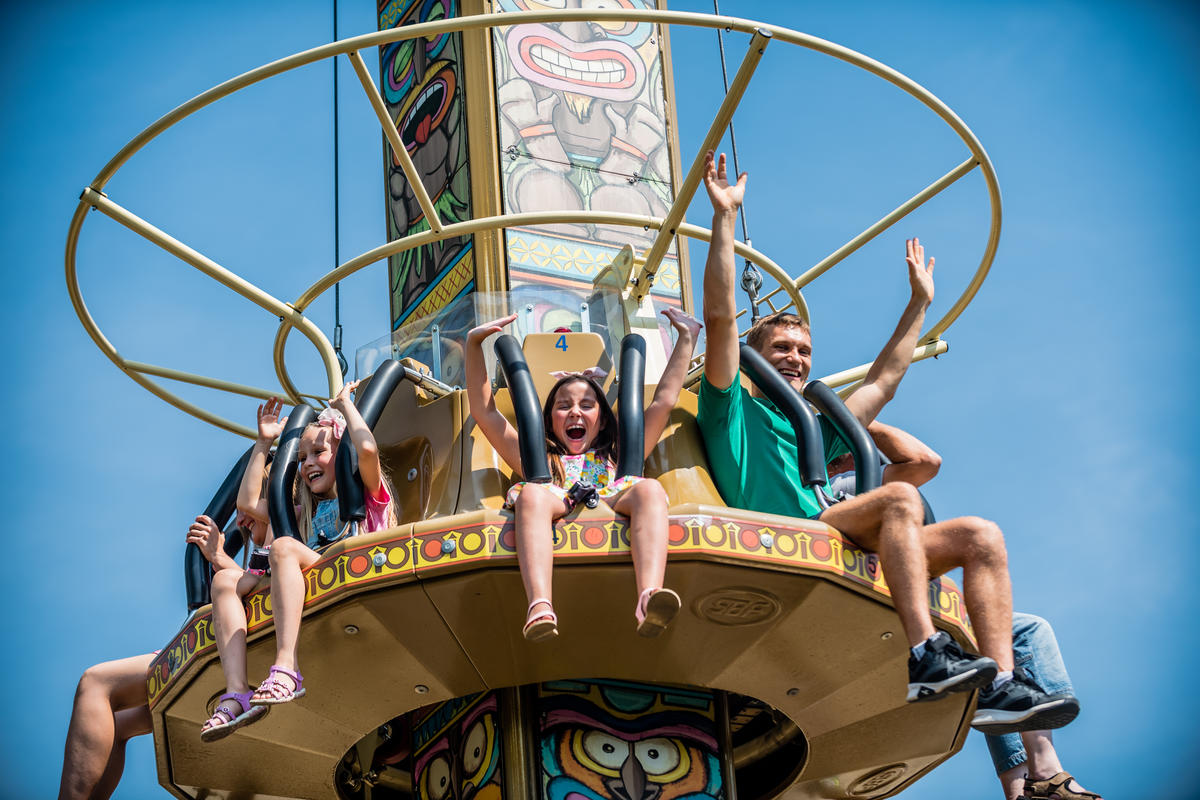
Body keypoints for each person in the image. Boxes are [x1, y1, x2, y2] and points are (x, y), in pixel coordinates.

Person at [697, 149, 1066, 732]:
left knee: (980, 535)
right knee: (900, 499)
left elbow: (885, 378)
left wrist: (920, 302)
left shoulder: (814, 423)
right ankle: (924, 655)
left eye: (804, 353)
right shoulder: (730, 407)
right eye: (781, 351)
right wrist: (723, 220)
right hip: (778, 533)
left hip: (839, 531)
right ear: (756, 361)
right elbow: (720, 318)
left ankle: (998, 684)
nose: (795, 360)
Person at [826, 423, 1101, 800]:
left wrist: (850, 416)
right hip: (867, 594)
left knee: (1020, 637)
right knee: (1007, 639)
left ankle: (1039, 774)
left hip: (900, 591)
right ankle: (1022, 782)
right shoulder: (841, 489)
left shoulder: (876, 486)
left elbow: (923, 459)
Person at [464, 308, 701, 640]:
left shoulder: (617, 456)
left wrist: (687, 338)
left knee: (647, 489)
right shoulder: (543, 460)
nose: (575, 411)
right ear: (549, 421)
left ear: (602, 419)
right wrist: (474, 346)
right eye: (564, 405)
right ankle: (540, 604)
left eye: (587, 405)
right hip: (555, 498)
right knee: (532, 492)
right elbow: (485, 413)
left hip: (612, 496)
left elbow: (663, 401)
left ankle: (649, 595)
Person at [239, 386, 397, 707]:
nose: (308, 463)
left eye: (318, 452)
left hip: (368, 576)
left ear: (342, 452)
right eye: (302, 458)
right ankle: (277, 669)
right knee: (269, 557)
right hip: (326, 589)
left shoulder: (370, 496)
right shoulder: (307, 514)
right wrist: (263, 443)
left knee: (283, 548)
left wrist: (345, 407)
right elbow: (247, 503)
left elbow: (366, 451)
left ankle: (286, 666)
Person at [188, 507, 273, 741]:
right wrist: (219, 557)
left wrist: (219, 557)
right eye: (237, 510)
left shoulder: (287, 521)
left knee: (225, 580)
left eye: (250, 505)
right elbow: (255, 579)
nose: (241, 518)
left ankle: (238, 690)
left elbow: (253, 584)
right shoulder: (264, 549)